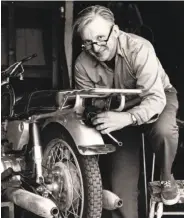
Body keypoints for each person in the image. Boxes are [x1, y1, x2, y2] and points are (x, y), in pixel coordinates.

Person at [73, 5, 180, 218]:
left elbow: (155, 98)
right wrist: (98, 116)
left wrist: (128, 117)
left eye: (101, 38)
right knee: (120, 189)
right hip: (116, 110)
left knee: (164, 130)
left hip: (155, 97)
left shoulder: (139, 48)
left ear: (116, 30)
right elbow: (88, 105)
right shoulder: (81, 64)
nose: (96, 48)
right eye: (88, 42)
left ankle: (167, 174)